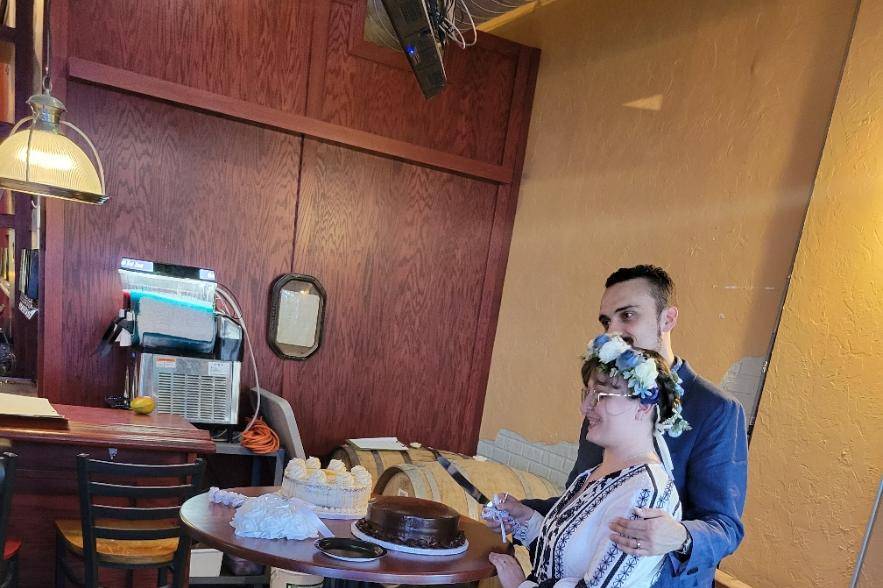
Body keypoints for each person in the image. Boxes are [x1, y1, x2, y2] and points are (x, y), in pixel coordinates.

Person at [521, 265, 748, 587]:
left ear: (667, 319)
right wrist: (523, 512)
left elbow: (726, 527)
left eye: (627, 315)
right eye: (605, 321)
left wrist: (681, 535)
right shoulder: (604, 399)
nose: (612, 332)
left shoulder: (717, 410)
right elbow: (585, 498)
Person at [486, 334, 688, 588]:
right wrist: (526, 519)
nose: (585, 408)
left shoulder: (644, 495)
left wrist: (519, 586)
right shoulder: (594, 474)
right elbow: (566, 555)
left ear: (643, 407)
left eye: (602, 396)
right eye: (587, 394)